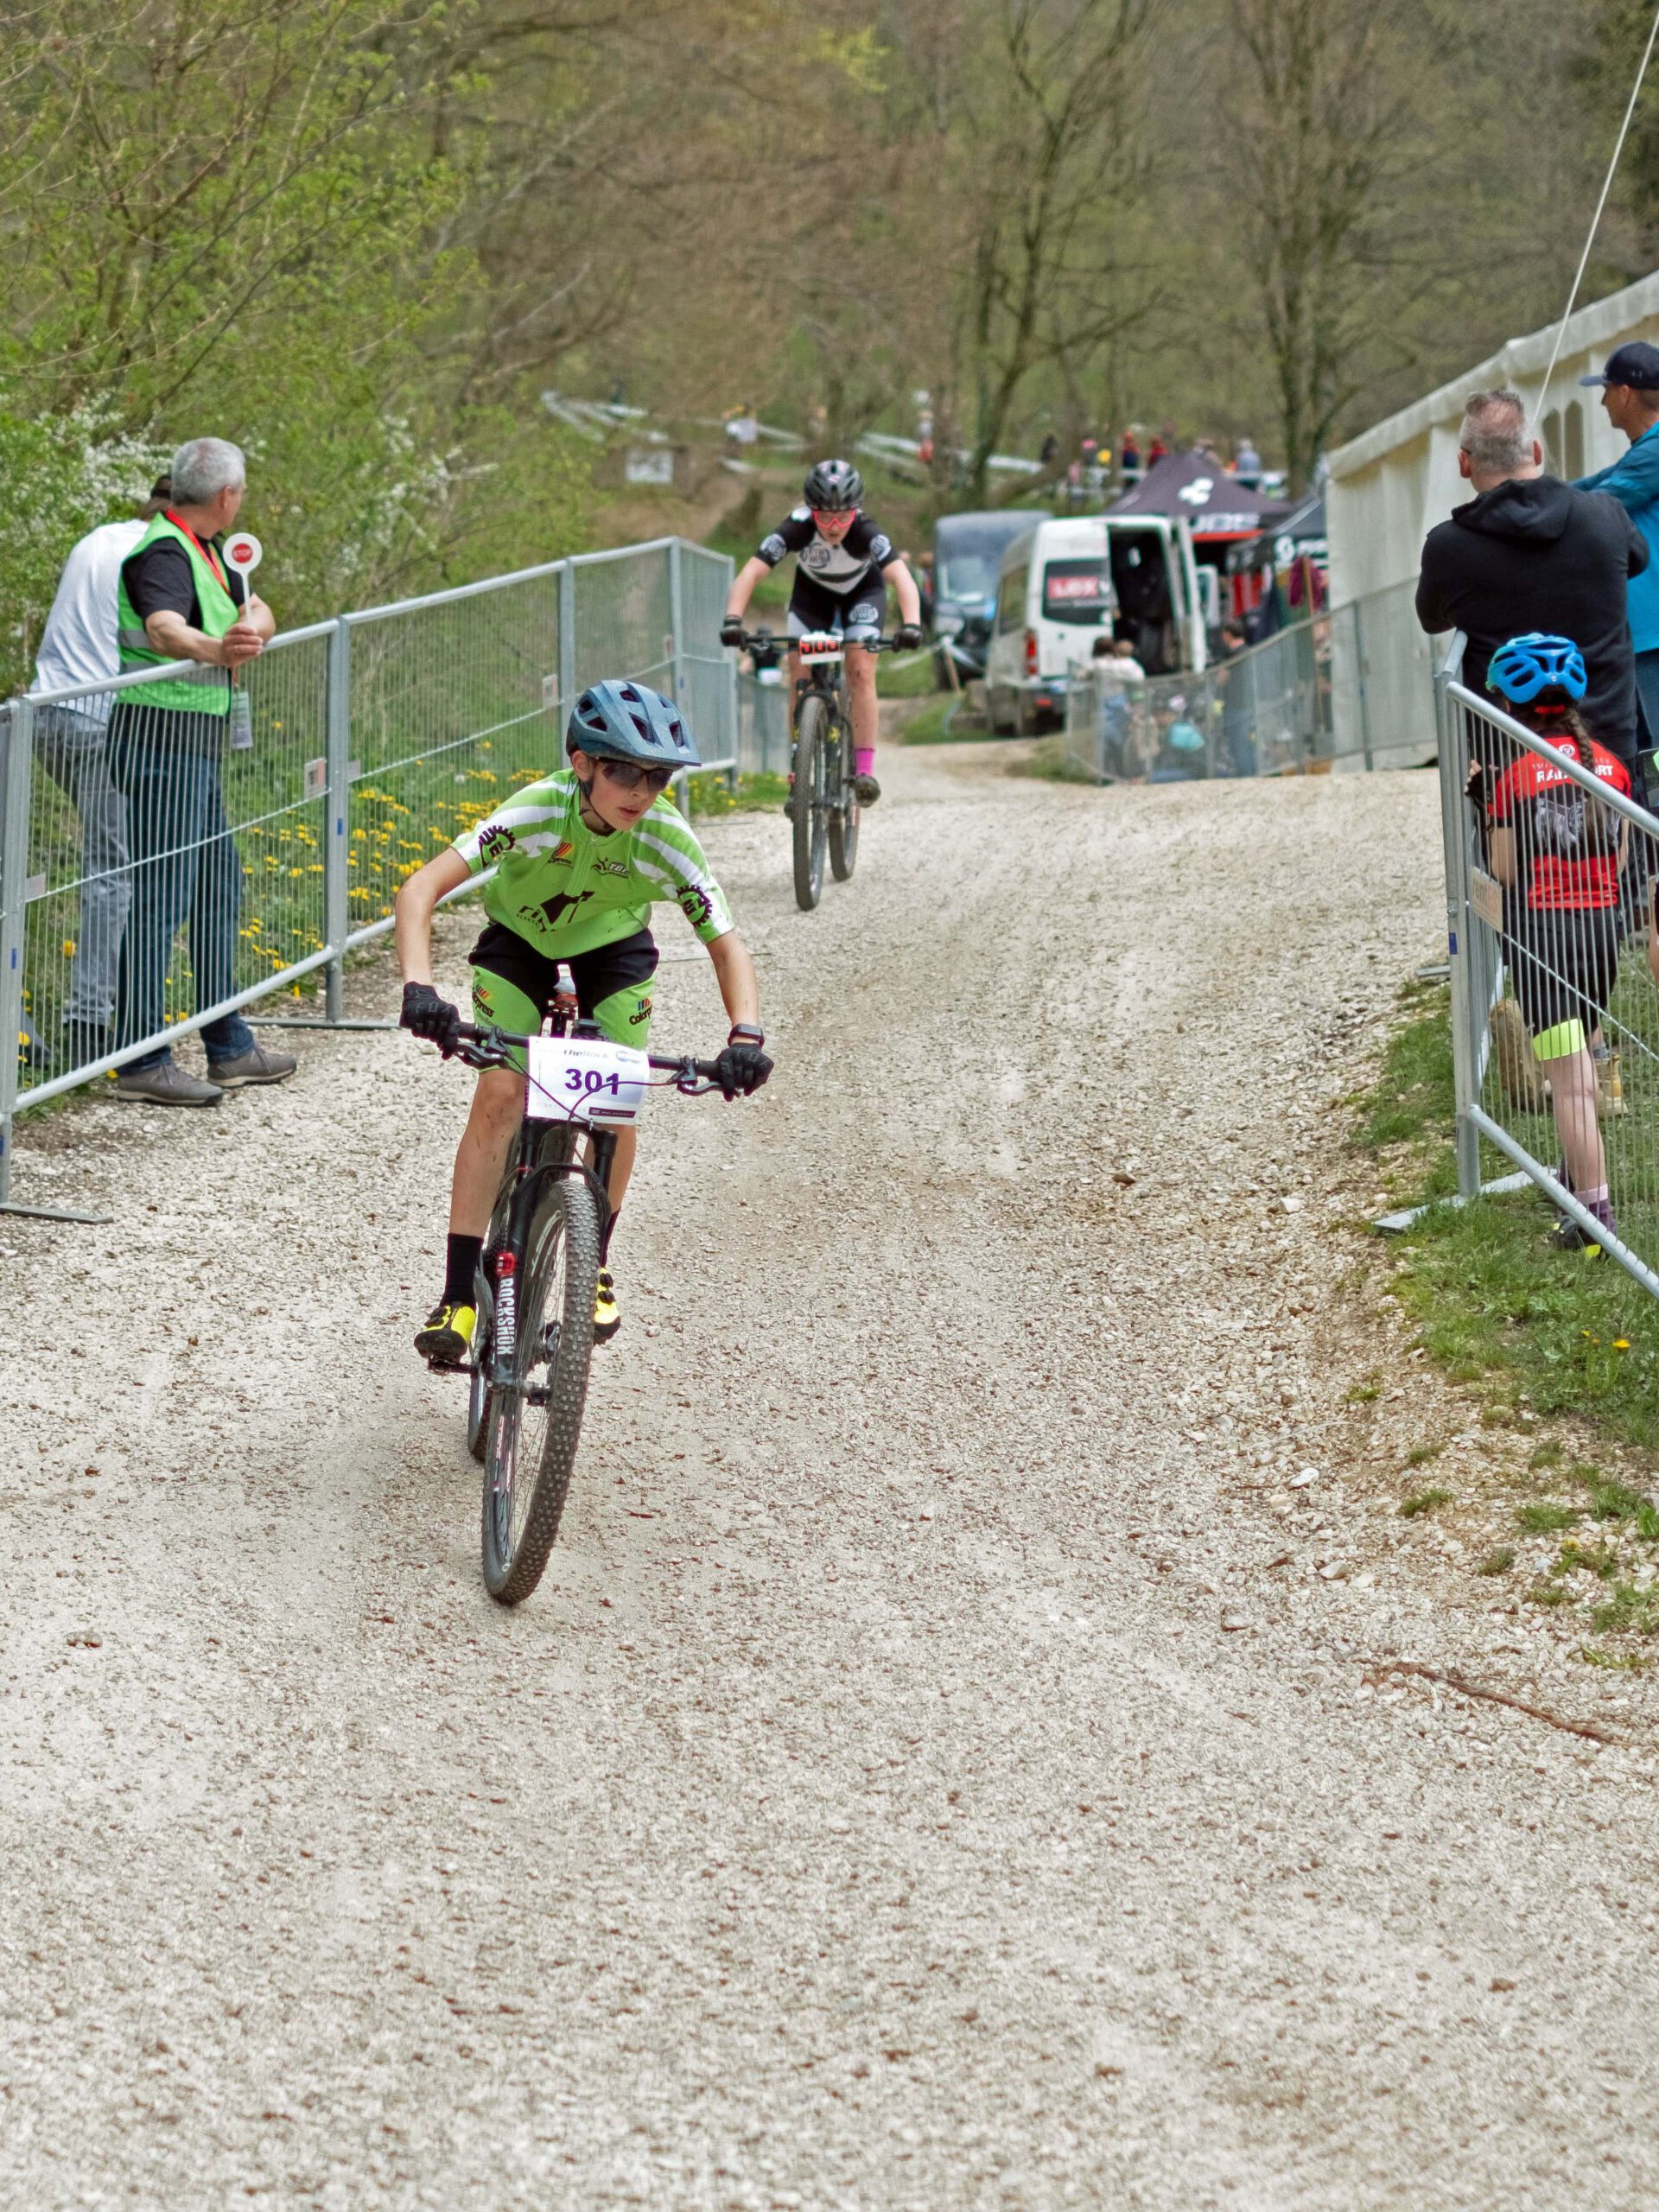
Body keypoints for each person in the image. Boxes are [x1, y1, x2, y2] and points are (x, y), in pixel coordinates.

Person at [394, 679, 771, 1364]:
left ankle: (592, 1263)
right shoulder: (538, 811)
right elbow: (419, 888)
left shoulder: (665, 837)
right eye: (624, 770)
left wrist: (745, 1034)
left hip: (613, 954)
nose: (641, 791)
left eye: (657, 777)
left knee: (613, 1106)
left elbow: (727, 944)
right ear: (582, 763)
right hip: (520, 945)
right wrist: (420, 989)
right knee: (502, 1094)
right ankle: (459, 1295)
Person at [108, 436, 296, 1105]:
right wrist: (218, 647)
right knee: (161, 899)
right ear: (228, 496)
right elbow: (162, 628)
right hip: (160, 742)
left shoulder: (209, 549)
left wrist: (255, 630)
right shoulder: (163, 551)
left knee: (218, 886)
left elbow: (256, 608)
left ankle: (229, 1044)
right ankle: (140, 1059)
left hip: (193, 742)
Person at [16, 474, 170, 1071]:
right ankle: (92, 1019)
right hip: (100, 721)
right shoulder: (156, 556)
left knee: (112, 861)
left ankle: (100, 1006)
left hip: (50, 715)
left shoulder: (98, 538)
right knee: (116, 868)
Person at [1415, 390, 1649, 774]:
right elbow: (1638, 560)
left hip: (1506, 747)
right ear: (1537, 452)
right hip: (1608, 738)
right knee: (1618, 833)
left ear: (1464, 463)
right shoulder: (1606, 516)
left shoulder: (1447, 547)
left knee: (1507, 835)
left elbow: (1432, 618)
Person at [1483, 635, 1628, 1250]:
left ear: (1513, 710)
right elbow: (1618, 865)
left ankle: (1594, 1222)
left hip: (1545, 942)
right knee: (1580, 1071)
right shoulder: (1613, 767)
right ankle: (1577, 1174)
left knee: (1566, 1081)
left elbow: (1506, 871)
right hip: (1601, 937)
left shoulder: (1514, 777)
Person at [720, 459, 922, 805]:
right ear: (810, 510)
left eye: (842, 516)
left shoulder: (867, 532)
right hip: (812, 601)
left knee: (859, 669)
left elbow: (901, 577)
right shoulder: (795, 528)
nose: (833, 525)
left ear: (855, 511)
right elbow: (752, 572)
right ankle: (800, 763)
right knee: (799, 671)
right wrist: (733, 620)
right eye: (824, 516)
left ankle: (864, 771)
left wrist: (912, 624)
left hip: (862, 594)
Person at [1575, 342, 1659, 763]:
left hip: (1654, 637)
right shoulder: (1644, 453)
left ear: (1625, 393)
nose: (1603, 400)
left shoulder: (1655, 454)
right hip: (1644, 637)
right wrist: (1530, 493)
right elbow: (1591, 485)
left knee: (1656, 753)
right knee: (1649, 759)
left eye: (1606, 389)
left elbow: (1600, 501)